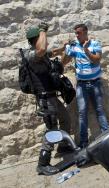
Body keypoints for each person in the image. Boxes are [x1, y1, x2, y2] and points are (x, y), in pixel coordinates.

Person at [24, 23, 71, 175]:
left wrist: (65, 48)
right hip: (45, 98)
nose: (44, 39)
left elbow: (53, 52)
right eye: (41, 38)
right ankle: (43, 164)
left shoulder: (41, 55)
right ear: (36, 39)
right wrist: (43, 30)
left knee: (65, 118)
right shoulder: (31, 55)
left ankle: (63, 146)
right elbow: (43, 49)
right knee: (52, 129)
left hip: (52, 96)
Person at [61, 23, 109, 148]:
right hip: (81, 85)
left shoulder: (95, 44)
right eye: (76, 33)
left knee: (100, 110)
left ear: (86, 32)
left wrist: (86, 50)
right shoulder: (74, 46)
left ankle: (108, 138)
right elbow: (64, 63)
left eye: (79, 33)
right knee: (82, 113)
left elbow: (96, 59)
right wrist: (66, 49)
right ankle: (83, 143)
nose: (77, 35)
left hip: (95, 83)